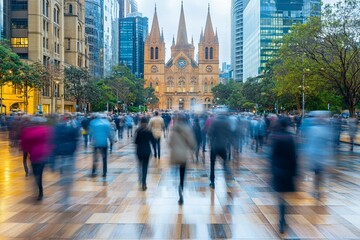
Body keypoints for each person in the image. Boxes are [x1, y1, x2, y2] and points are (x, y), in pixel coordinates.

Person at [270, 118, 297, 234]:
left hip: (278, 170)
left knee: (281, 197)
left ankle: (281, 220)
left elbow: (272, 156)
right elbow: (294, 156)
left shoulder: (276, 137)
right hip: (288, 170)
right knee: (285, 197)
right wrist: (295, 172)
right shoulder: (290, 138)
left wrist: (271, 171)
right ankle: (283, 218)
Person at [20, 117, 53, 200]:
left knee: (36, 173)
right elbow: (51, 141)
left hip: (34, 155)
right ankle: (40, 190)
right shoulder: (46, 130)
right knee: (40, 172)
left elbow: (24, 143)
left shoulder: (27, 131)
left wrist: (25, 150)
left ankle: (39, 188)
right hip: (44, 154)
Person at [169, 114, 196, 204]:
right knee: (182, 174)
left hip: (174, 155)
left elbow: (170, 143)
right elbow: (192, 143)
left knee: (175, 170)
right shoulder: (187, 129)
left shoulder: (174, 129)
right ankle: (181, 187)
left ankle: (175, 178)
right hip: (183, 155)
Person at [53, 113, 80, 203]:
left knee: (64, 170)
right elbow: (76, 139)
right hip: (69, 152)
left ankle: (64, 185)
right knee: (68, 172)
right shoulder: (73, 126)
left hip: (62, 152)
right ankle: (66, 189)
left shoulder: (58, 127)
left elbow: (55, 139)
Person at [208, 112, 231, 189]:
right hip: (223, 146)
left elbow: (210, 133)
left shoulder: (214, 122)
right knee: (225, 161)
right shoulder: (226, 123)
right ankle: (226, 170)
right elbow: (229, 135)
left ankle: (212, 181)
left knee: (212, 164)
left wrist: (211, 142)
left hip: (215, 146)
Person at [134, 117, 154, 191]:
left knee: (140, 165)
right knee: (145, 167)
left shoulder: (138, 130)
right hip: (147, 150)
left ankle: (140, 178)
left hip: (139, 150)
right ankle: (144, 182)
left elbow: (135, 142)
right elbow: (153, 141)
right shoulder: (149, 130)